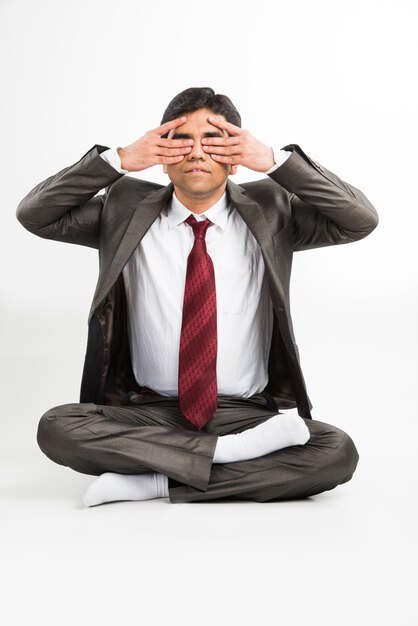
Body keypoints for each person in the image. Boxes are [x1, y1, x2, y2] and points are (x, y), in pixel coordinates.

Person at [16, 87, 378, 506]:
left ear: (236, 158)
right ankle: (226, 460)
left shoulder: (274, 208)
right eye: (182, 140)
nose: (198, 152)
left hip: (243, 413)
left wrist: (276, 162)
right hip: (150, 412)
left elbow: (359, 220)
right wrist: (118, 161)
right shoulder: (122, 209)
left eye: (214, 140)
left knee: (335, 452)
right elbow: (35, 213)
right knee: (58, 427)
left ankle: (156, 481)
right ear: (162, 157)